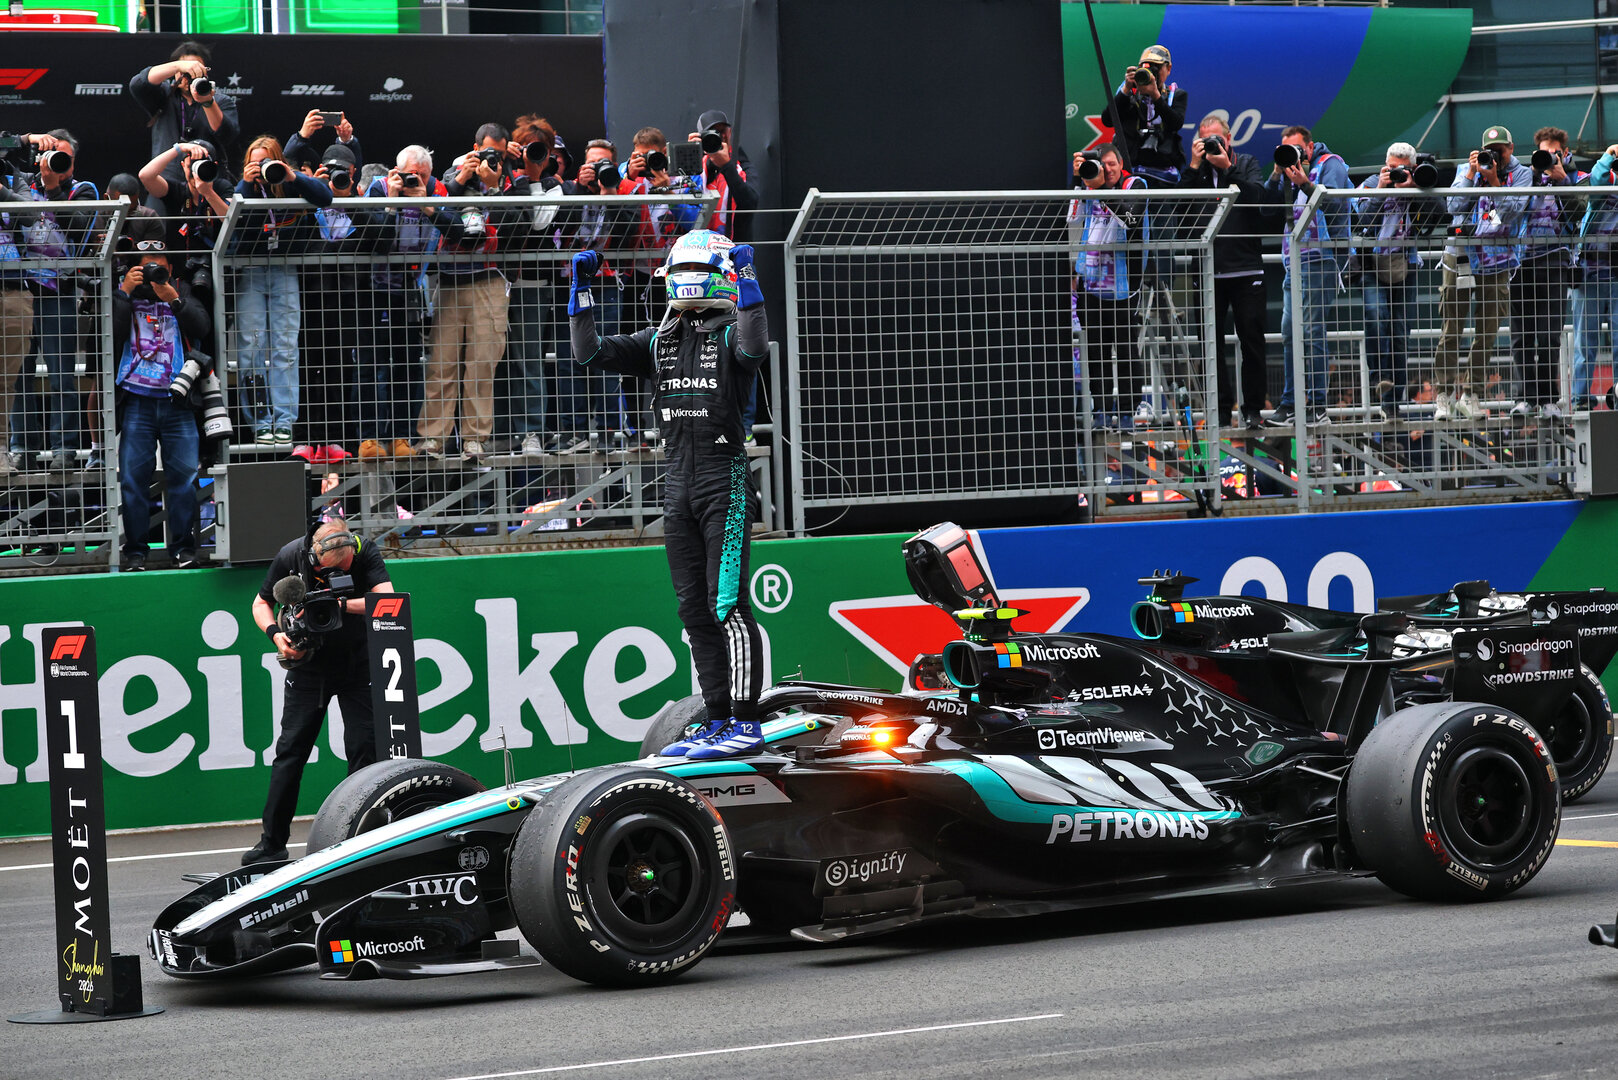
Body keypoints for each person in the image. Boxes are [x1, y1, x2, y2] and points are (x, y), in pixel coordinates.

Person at [569, 229, 767, 758]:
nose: (678, 283)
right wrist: (581, 292)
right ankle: (718, 718)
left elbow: (754, 346)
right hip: (676, 484)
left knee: (726, 604)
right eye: (673, 273)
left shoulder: (730, 333)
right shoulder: (659, 340)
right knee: (692, 610)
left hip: (723, 481)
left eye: (686, 272)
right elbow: (588, 354)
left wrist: (749, 281)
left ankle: (747, 724)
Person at [243, 518, 394, 864]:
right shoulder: (291, 554)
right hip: (310, 665)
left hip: (359, 664)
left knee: (364, 749)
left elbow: (388, 603)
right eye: (329, 569)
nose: (336, 573)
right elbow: (260, 604)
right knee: (290, 753)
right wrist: (276, 636)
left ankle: (359, 837)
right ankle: (272, 843)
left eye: (342, 569)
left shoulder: (365, 552)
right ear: (313, 555)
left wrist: (340, 605)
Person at [415, 123, 514, 462]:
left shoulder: (507, 178)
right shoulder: (451, 173)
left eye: (498, 155)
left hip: (489, 279)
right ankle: (432, 439)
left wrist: (495, 185)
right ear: (474, 148)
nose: (492, 159)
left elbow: (513, 220)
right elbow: (438, 208)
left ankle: (474, 439)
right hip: (449, 281)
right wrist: (463, 177)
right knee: (441, 364)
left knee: (481, 364)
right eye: (487, 153)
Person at [1, 130, 99, 469]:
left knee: (61, 376)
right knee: (19, 376)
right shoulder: (21, 184)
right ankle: (22, 449)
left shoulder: (81, 190)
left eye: (65, 158)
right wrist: (27, 140)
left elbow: (81, 230)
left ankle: (64, 450)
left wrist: (54, 187)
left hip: (59, 291)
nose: (57, 162)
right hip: (23, 289)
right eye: (52, 154)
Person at [111, 240, 210, 571]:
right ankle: (136, 550)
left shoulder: (179, 290)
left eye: (160, 265)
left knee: (183, 479)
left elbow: (203, 328)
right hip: (137, 401)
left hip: (178, 401)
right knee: (132, 479)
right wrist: (124, 292)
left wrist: (174, 299)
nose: (154, 272)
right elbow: (105, 333)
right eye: (147, 266)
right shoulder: (124, 294)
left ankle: (183, 548)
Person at [233, 135, 333, 444]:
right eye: (255, 162)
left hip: (285, 269)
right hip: (250, 269)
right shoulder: (245, 188)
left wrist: (291, 174)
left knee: (286, 347)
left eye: (266, 161)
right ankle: (260, 420)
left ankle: (285, 420)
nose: (261, 167)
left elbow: (325, 198)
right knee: (250, 348)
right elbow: (232, 220)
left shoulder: (288, 182)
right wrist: (247, 184)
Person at [1180, 114, 1274, 429]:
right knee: (1210, 345)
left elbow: (1256, 199)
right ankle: (1219, 412)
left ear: (1229, 139)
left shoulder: (1245, 163)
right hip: (1207, 270)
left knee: (1252, 340)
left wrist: (1226, 167)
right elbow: (1182, 216)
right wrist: (1195, 166)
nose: (1211, 146)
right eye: (1205, 140)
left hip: (1246, 268)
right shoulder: (1196, 172)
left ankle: (1252, 410)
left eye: (1216, 139)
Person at [1434, 125, 1531, 420]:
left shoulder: (1522, 174)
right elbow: (1453, 206)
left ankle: (1471, 394)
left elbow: (1513, 212)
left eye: (1500, 151)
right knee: (1452, 329)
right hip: (1460, 257)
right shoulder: (1468, 169)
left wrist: (1494, 183)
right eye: (1491, 152)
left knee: (1486, 332)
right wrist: (1471, 176)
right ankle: (1443, 395)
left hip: (1497, 260)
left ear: (1511, 149)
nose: (1496, 157)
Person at [356, 145, 442, 460]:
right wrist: (392, 203)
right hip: (371, 289)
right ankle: (369, 438)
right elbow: (375, 241)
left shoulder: (432, 193)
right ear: (396, 171)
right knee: (370, 365)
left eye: (422, 176)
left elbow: (452, 230)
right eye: (410, 176)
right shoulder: (378, 190)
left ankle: (401, 437)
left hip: (409, 291)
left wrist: (427, 204)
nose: (415, 182)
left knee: (407, 366)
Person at [1263, 125, 1349, 427]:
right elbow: (1265, 210)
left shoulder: (1331, 164)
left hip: (1321, 259)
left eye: (1297, 149)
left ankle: (1317, 405)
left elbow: (1337, 205)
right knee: (1289, 332)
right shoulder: (1286, 173)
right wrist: (1277, 173)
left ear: (1309, 148)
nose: (1293, 156)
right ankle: (1290, 404)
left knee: (1312, 331)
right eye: (1286, 150)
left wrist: (1305, 185)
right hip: (1293, 262)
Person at [1351, 141, 1443, 419]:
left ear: (1412, 167)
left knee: (1401, 331)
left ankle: (1393, 402)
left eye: (1402, 169)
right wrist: (1382, 190)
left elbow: (1440, 212)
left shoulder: (1419, 182)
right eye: (1392, 169)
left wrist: (1415, 189)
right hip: (1372, 264)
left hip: (1405, 264)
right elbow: (1359, 223)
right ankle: (1381, 378)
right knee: (1376, 314)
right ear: (1384, 164)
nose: (1396, 174)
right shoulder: (1371, 183)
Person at [1072, 143, 1148, 429]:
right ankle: (1102, 411)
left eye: (1111, 164)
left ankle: (1128, 411)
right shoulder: (1089, 185)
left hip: (1123, 285)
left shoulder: (1135, 184)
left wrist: (1103, 189)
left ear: (1120, 164)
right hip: (1091, 283)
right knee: (1097, 349)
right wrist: (1079, 180)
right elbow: (1071, 219)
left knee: (1126, 348)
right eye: (1101, 165)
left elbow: (1130, 220)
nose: (1106, 170)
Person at [1514, 127, 1582, 420]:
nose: (1549, 157)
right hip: (1520, 261)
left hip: (1554, 260)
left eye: (1554, 152)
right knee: (1521, 335)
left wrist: (1563, 181)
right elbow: (1511, 210)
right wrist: (1532, 175)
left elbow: (1579, 213)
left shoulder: (1575, 179)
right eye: (1543, 152)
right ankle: (1526, 398)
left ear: (1565, 154)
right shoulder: (1523, 177)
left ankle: (1548, 399)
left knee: (1548, 333)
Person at [128, 41, 239, 196]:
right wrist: (178, 66)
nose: (188, 76)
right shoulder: (164, 95)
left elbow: (226, 134)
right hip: (166, 181)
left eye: (195, 70)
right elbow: (138, 84)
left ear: (205, 72)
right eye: (185, 71)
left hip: (208, 178)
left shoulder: (220, 101)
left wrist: (207, 102)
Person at [1574, 142, 1618, 412]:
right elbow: (1599, 179)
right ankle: (1581, 398)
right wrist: (1609, 154)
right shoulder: (1609, 179)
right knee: (1584, 342)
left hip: (1616, 276)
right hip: (1590, 273)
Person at [1109, 45, 1186, 186]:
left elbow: (1176, 123)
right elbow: (1108, 120)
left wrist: (1156, 95)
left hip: (1163, 175)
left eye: (1156, 68)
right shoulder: (1128, 93)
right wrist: (1126, 89)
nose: (1152, 74)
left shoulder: (1176, 95)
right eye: (1147, 69)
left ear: (1168, 69)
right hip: (1130, 174)